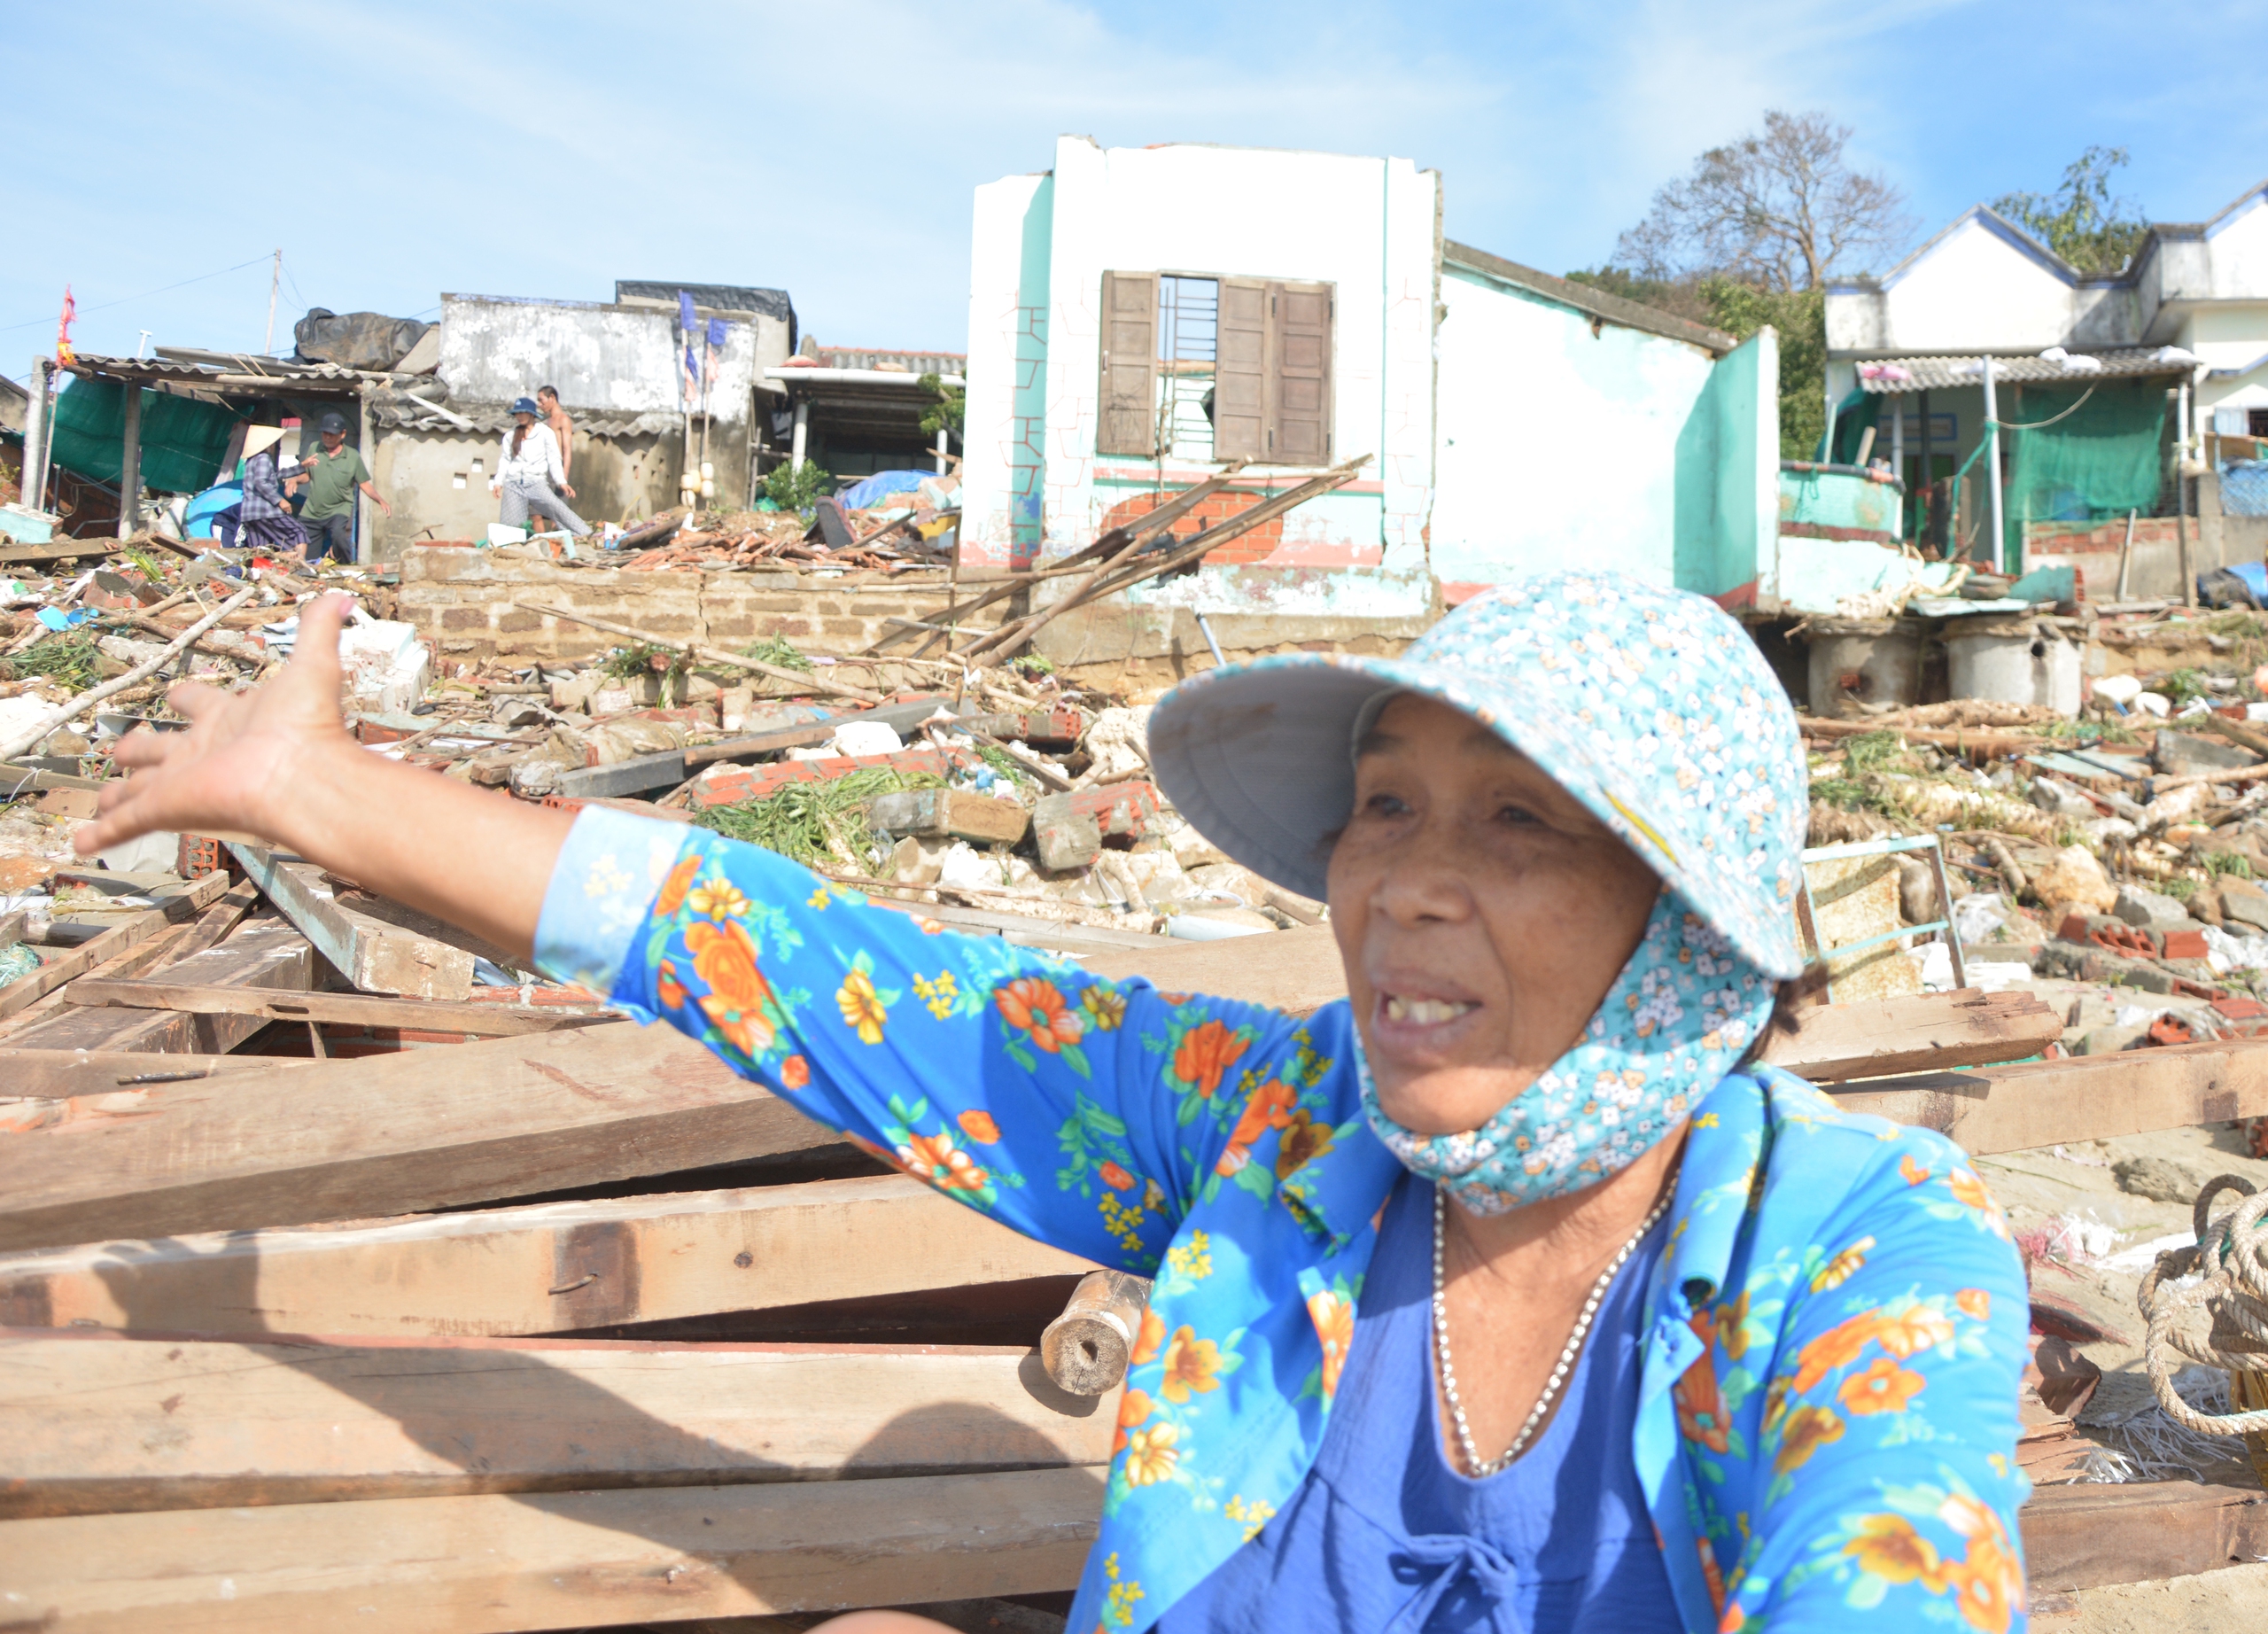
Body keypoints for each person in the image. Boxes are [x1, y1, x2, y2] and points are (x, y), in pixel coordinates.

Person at [76, 573, 2030, 1634]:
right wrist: (317, 797)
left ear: (1689, 930)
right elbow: (842, 981)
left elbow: (1892, 1560)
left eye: (1517, 820)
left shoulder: (1854, 1254)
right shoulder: (1274, 1137)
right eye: (1384, 803)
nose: (1404, 882)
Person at [296, 411, 391, 564]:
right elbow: (308, 475)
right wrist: (294, 480)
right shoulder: (315, 448)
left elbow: (364, 483)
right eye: (325, 433)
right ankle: (310, 572)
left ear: (343, 434)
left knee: (339, 536)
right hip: (313, 509)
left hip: (338, 508)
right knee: (305, 544)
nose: (327, 437)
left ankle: (346, 565)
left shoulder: (352, 456)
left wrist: (381, 501)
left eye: (332, 434)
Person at [493, 395, 588, 538]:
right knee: (511, 525)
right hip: (514, 484)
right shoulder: (510, 435)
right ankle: (511, 549)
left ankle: (585, 534)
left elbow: (554, 459)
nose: (519, 416)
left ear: (531, 414)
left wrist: (561, 482)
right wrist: (498, 482)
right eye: (517, 413)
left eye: (522, 412)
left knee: (557, 508)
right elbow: (505, 460)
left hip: (536, 482)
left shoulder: (544, 433)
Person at [232, 424, 308, 554]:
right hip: (265, 511)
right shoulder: (263, 458)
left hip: (249, 514)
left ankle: (260, 571)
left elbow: (275, 474)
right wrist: (280, 501)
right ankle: (299, 565)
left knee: (261, 548)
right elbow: (261, 482)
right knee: (299, 533)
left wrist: (302, 466)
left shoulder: (251, 460)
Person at [536, 385, 575, 485]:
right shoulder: (548, 421)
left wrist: (564, 474)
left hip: (558, 468)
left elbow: (567, 449)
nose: (539, 404)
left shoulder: (563, 419)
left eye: (541, 400)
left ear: (552, 398)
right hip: (546, 467)